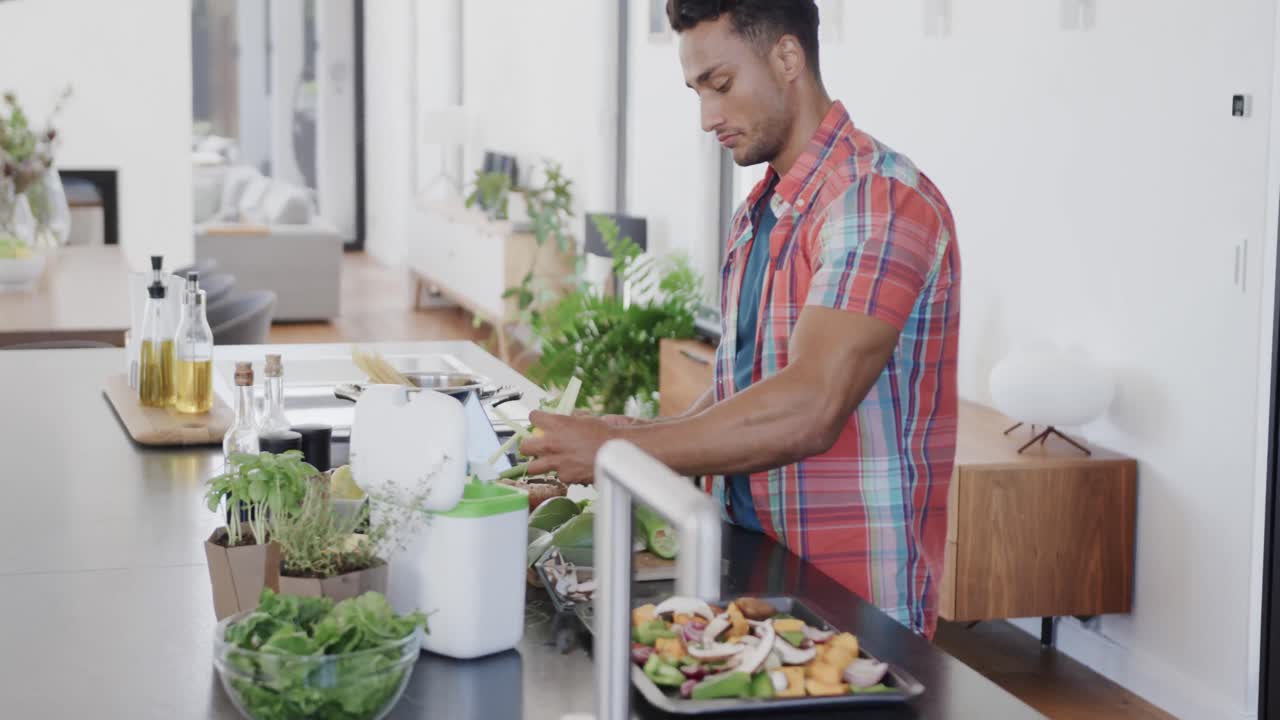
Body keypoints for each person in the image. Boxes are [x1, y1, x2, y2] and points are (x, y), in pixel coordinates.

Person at [520, 0, 961, 638]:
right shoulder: (764, 212)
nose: (707, 118)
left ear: (787, 57)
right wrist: (634, 430)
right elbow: (748, 384)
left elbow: (811, 404)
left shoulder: (877, 202)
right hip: (759, 570)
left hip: (856, 602)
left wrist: (621, 449)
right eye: (697, 91)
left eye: (720, 86)